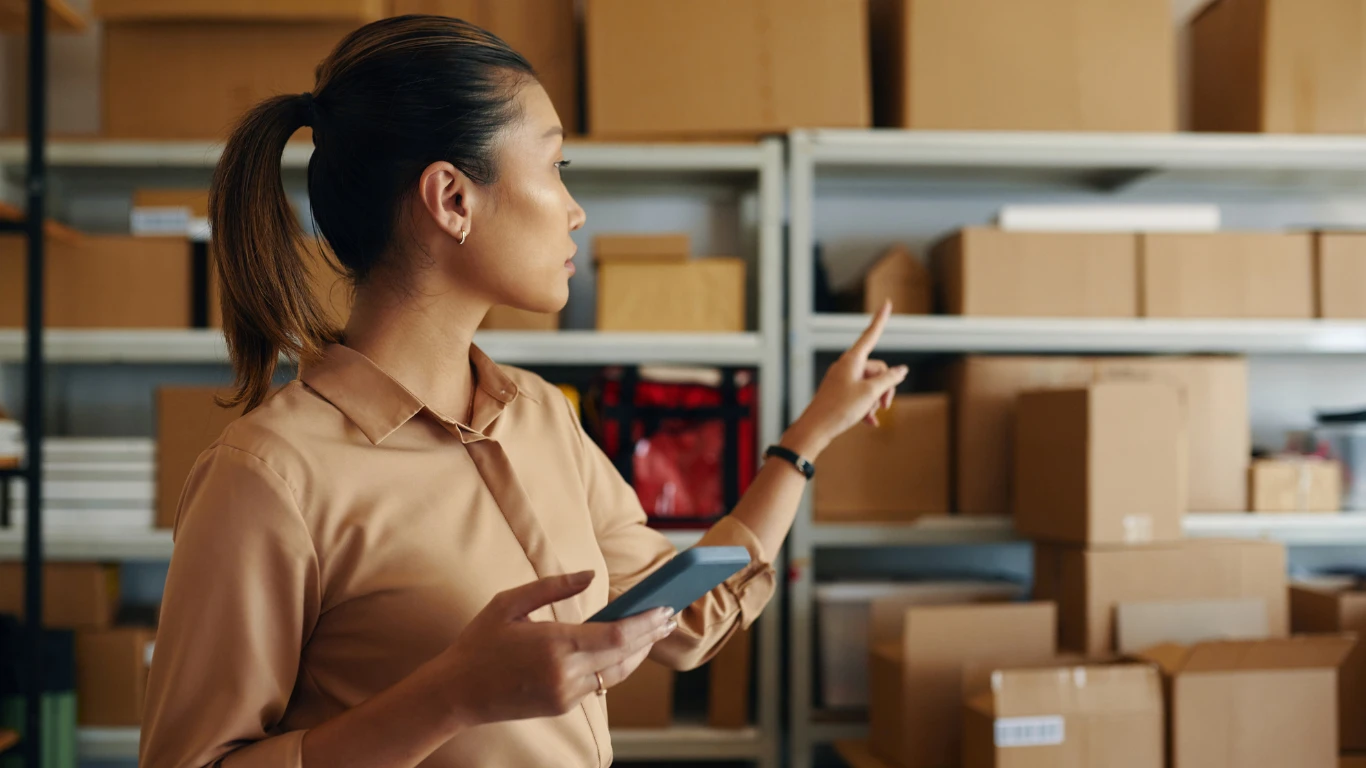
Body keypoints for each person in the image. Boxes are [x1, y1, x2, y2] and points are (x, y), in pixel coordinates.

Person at [139, 14, 907, 768]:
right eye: (556, 167)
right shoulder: (268, 475)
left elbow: (686, 619)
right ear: (451, 199)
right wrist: (448, 697)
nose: (575, 210)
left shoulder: (541, 418)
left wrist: (809, 436)